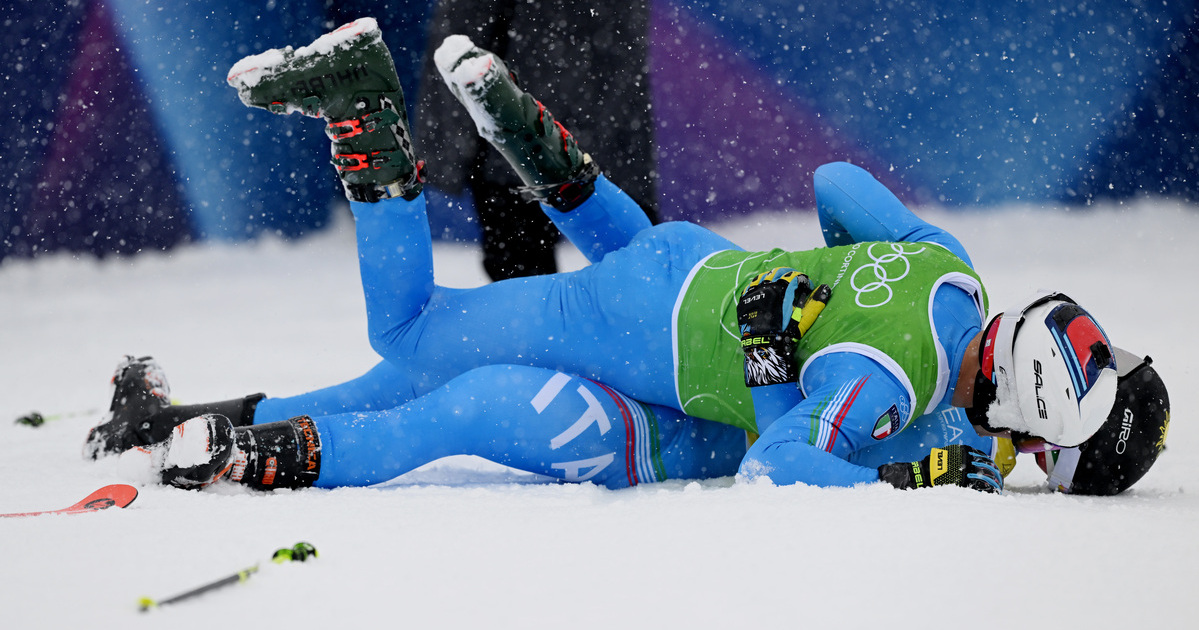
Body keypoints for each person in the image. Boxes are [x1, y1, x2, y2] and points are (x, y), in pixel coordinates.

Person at [86, 18, 1166, 496]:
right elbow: (779, 466)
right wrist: (897, 462)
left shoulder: (951, 271)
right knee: (411, 343)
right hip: (650, 368)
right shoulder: (895, 394)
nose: (1022, 459)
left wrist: (837, 283)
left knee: (402, 383)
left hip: (683, 270)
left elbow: (837, 182)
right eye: (1041, 450)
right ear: (1030, 406)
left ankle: (193, 429)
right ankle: (362, 108)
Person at [415, 0, 658, 280]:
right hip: (597, 125)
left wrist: (450, 149)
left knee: (526, 280)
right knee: (638, 272)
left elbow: (463, 32)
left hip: (519, 141)